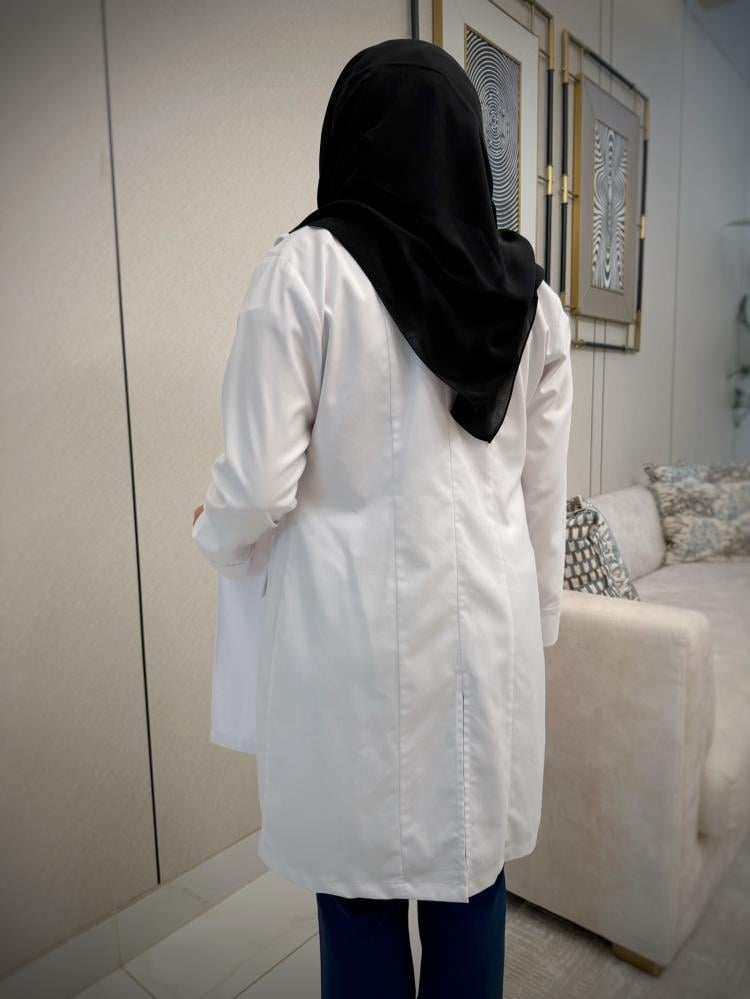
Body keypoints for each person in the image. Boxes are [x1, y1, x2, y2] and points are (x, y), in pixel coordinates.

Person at [193, 36, 573, 999]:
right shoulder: (533, 302)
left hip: (348, 643)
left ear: (351, 138)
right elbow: (541, 497)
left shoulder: (305, 270)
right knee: (471, 879)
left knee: (357, 892)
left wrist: (217, 531)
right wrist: (541, 623)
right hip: (486, 634)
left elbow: (258, 485)